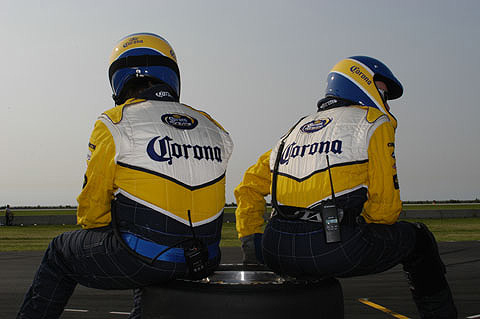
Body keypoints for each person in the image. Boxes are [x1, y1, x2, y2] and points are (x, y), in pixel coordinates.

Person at [17, 32, 234, 319]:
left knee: (59, 252)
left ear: (119, 79)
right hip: (205, 258)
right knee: (143, 239)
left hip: (144, 258)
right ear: (170, 74)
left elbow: (92, 211)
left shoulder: (113, 122)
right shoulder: (214, 127)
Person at [234, 56, 457, 318]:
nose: (385, 102)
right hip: (333, 247)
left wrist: (252, 240)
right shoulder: (373, 122)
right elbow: (385, 212)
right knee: (420, 241)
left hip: (275, 249)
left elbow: (248, 185)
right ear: (361, 82)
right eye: (383, 92)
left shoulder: (294, 131)